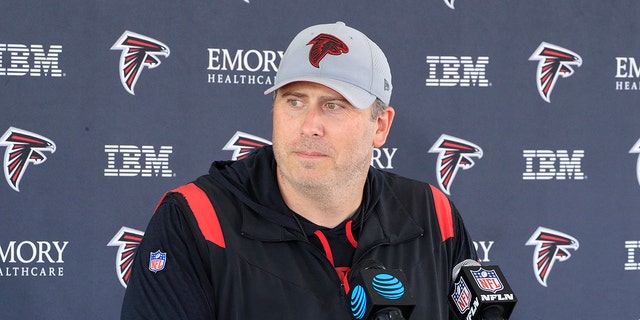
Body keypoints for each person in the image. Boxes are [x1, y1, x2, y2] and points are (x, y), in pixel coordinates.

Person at [121, 21, 477, 320]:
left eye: (333, 105)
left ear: (380, 126)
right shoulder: (197, 220)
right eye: (294, 101)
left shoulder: (433, 216)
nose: (309, 126)